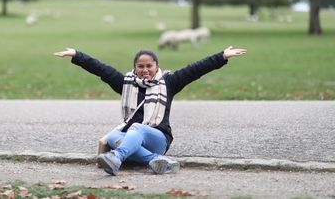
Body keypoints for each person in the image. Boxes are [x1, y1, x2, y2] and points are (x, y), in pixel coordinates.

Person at [54, 46, 246, 176]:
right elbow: (101, 69)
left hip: (158, 138)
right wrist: (77, 55)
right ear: (135, 68)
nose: (145, 70)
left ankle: (118, 157)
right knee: (113, 135)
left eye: (149, 66)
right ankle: (157, 161)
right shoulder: (126, 83)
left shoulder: (169, 83)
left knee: (135, 128)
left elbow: (196, 69)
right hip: (135, 137)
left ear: (156, 66)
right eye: (140, 66)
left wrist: (221, 56)